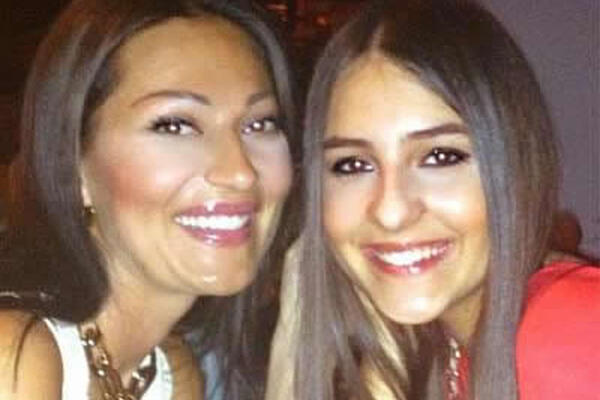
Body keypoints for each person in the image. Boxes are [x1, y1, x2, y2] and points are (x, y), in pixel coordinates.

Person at [268, 0, 600, 399]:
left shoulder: (568, 335)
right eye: (353, 165)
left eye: (441, 157)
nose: (391, 212)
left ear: (515, 162)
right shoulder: (448, 344)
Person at [0, 0, 298, 399]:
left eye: (260, 123)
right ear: (74, 166)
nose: (240, 171)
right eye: (175, 125)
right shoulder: (13, 356)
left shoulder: (168, 372)